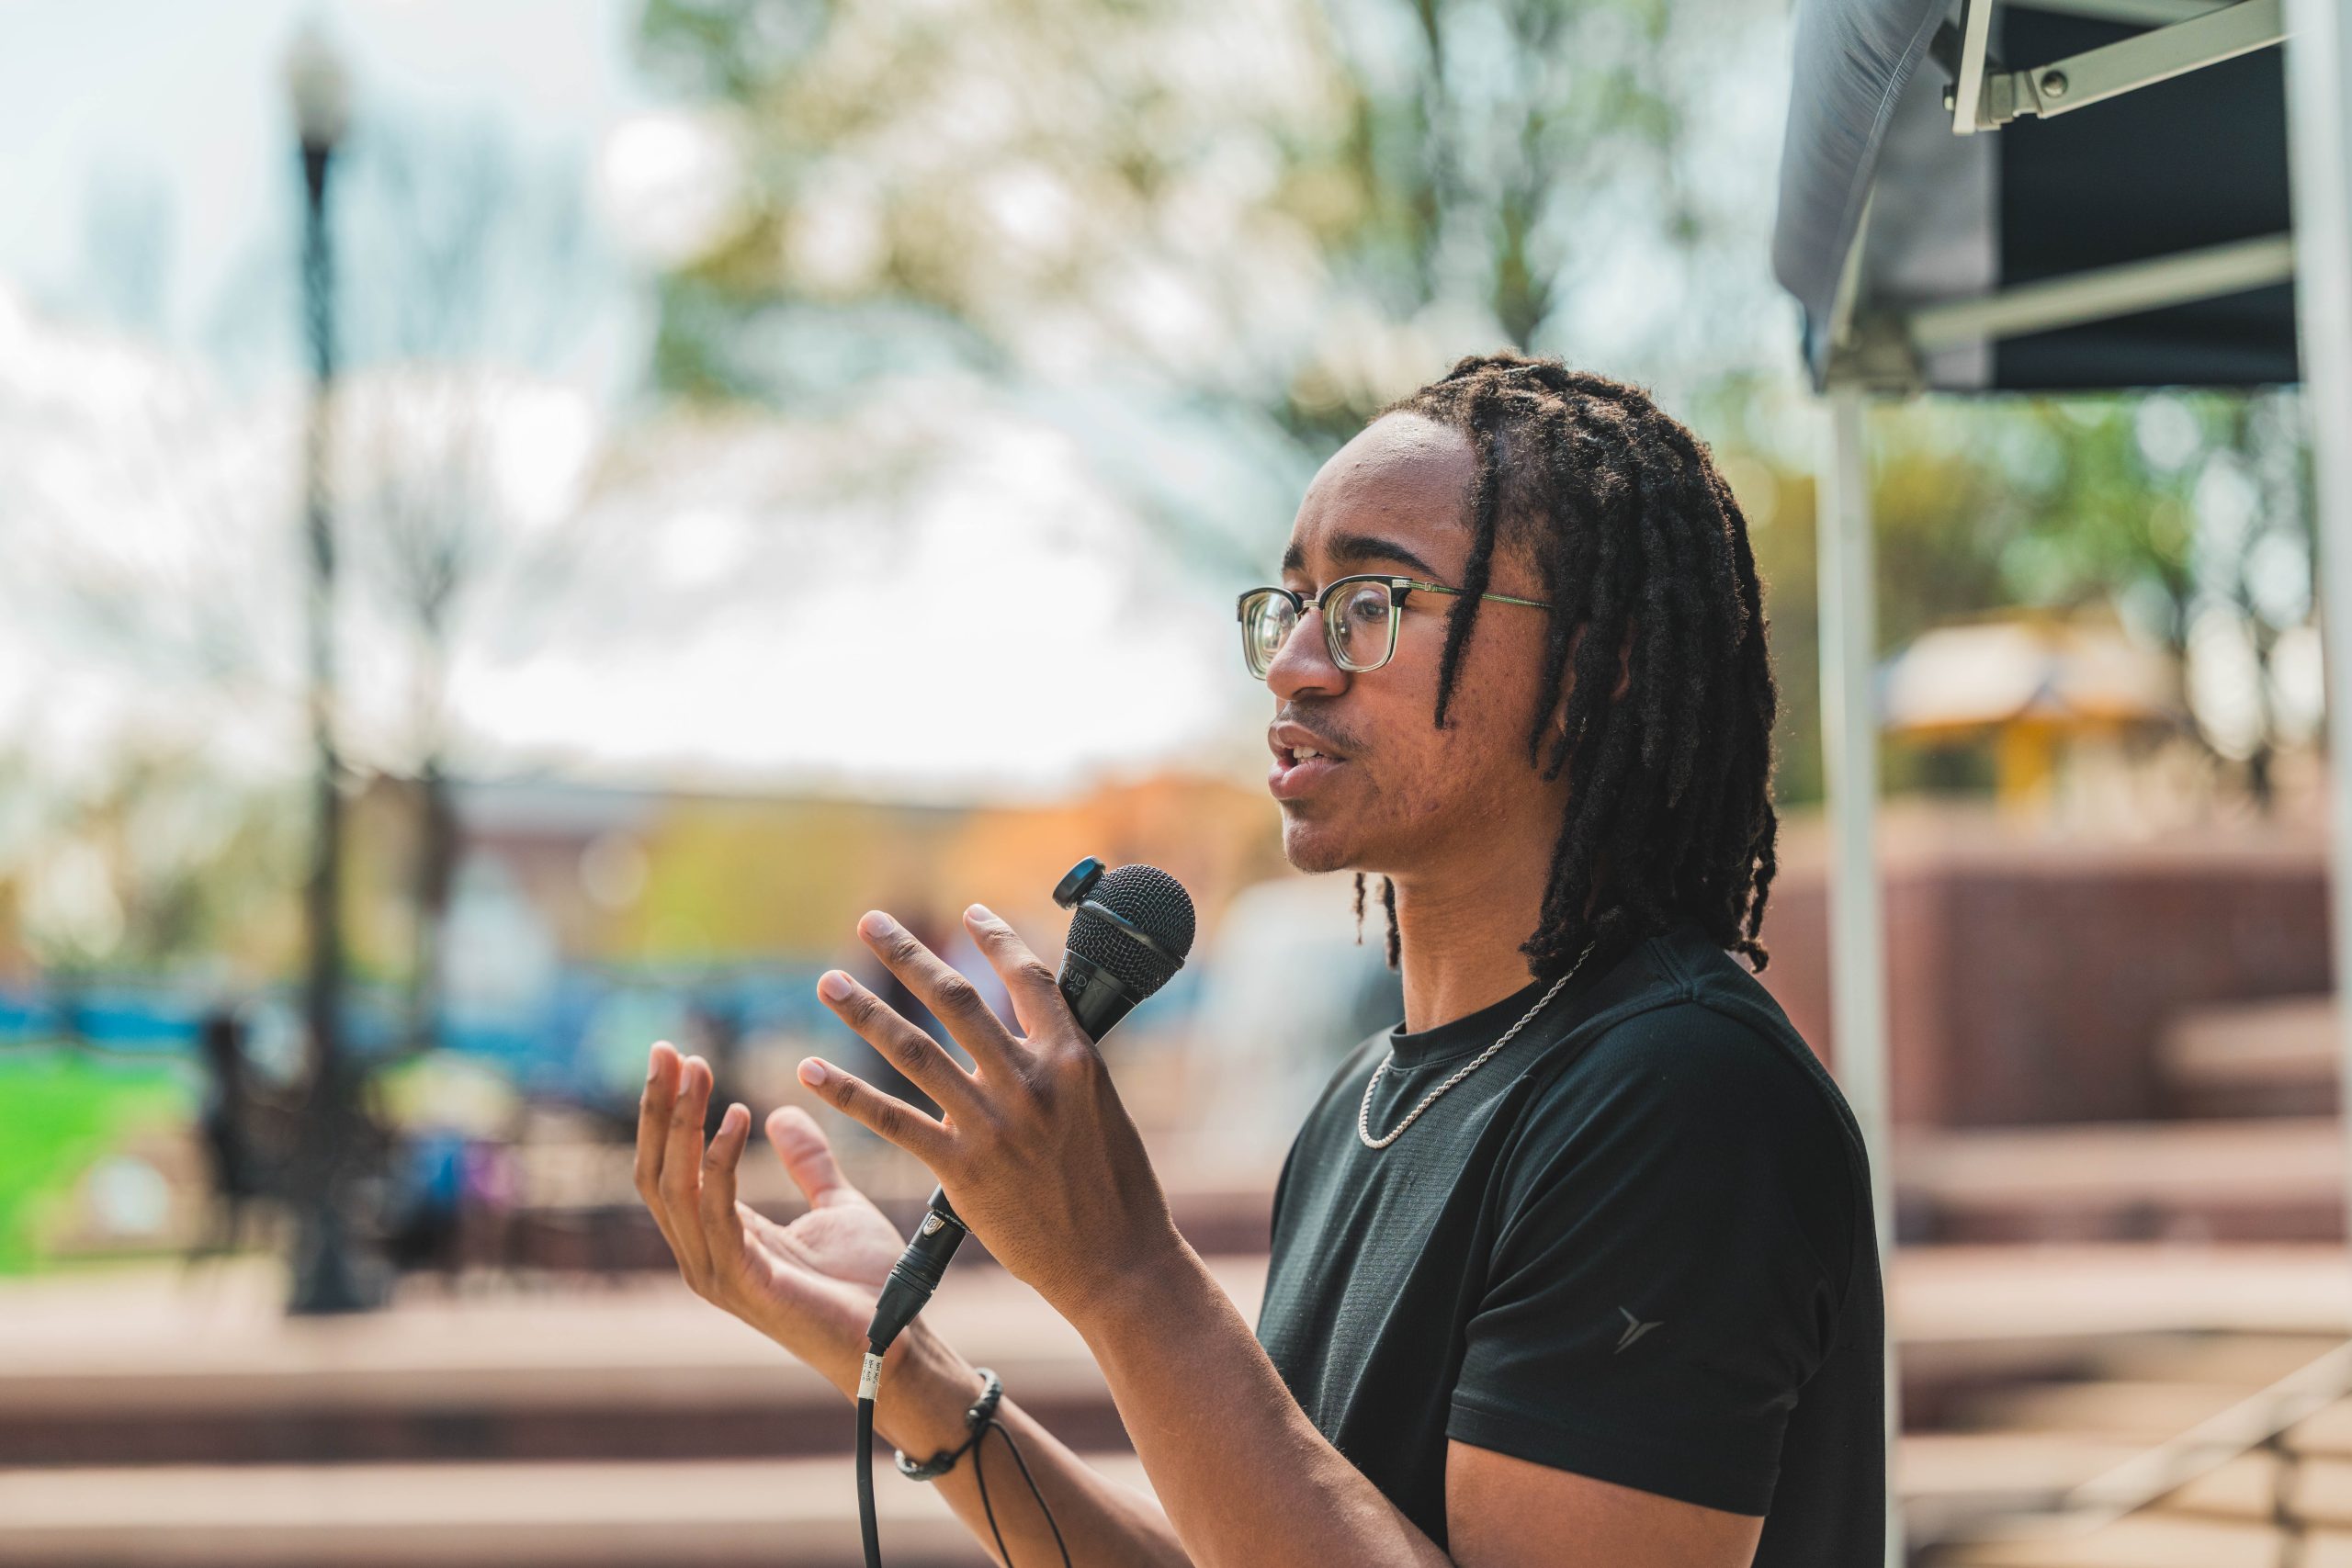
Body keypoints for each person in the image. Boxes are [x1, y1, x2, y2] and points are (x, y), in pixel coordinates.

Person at [635, 351, 1884, 1568]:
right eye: (1291, 608)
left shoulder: (1681, 1099)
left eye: (1373, 605)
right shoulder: (1362, 1106)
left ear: (1597, 665)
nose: (1294, 664)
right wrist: (911, 1377)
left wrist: (1128, 1274)